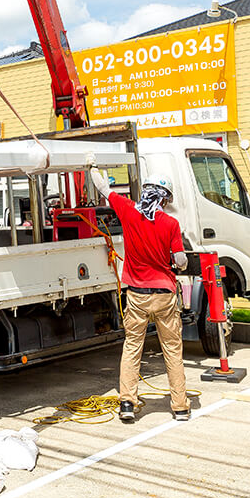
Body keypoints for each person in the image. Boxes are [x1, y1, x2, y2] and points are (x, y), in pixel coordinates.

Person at [87, 158, 190, 423]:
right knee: (172, 350)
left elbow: (102, 188)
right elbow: (180, 261)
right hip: (165, 295)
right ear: (164, 199)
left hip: (136, 295)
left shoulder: (128, 210)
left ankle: (127, 404)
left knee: (132, 348)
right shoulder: (170, 224)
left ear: (145, 191)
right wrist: (174, 261)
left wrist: (92, 166)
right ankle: (179, 407)